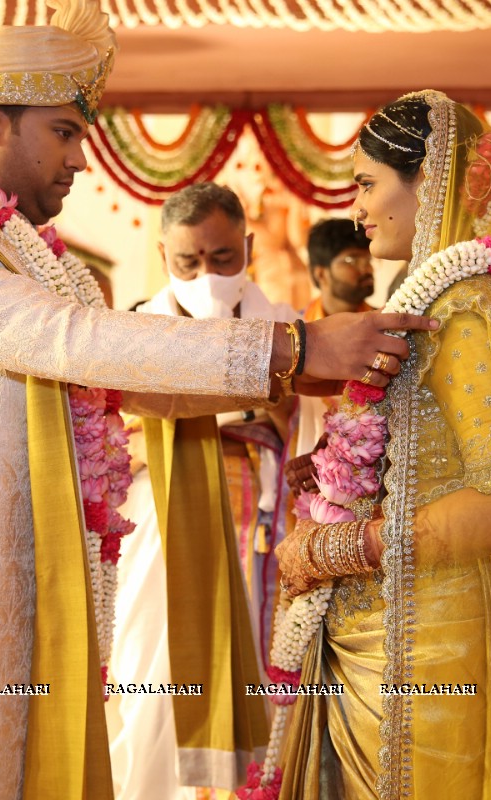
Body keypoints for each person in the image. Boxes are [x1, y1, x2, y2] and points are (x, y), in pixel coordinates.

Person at [0, 3, 436, 797]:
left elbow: (121, 381)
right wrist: (293, 347)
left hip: (37, 570)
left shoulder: (36, 256)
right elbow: (69, 341)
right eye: (63, 131)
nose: (80, 159)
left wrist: (298, 374)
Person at [274, 91, 491, 799]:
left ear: (426, 185)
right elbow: (442, 460)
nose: (358, 208)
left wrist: (347, 545)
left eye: (369, 184)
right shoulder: (453, 297)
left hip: (432, 656)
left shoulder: (466, 314)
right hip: (412, 628)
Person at [108, 183, 284, 797]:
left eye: (223, 258)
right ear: (164, 257)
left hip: (261, 532)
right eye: (188, 262)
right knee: (149, 669)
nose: (207, 275)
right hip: (160, 529)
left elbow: (313, 436)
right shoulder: (133, 333)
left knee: (258, 666)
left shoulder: (285, 330)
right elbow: (111, 438)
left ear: (249, 246)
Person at [289, 218, 377, 477]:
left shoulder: (384, 324)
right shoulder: (295, 333)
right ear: (321, 273)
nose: (365, 268)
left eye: (367, 260)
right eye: (351, 261)